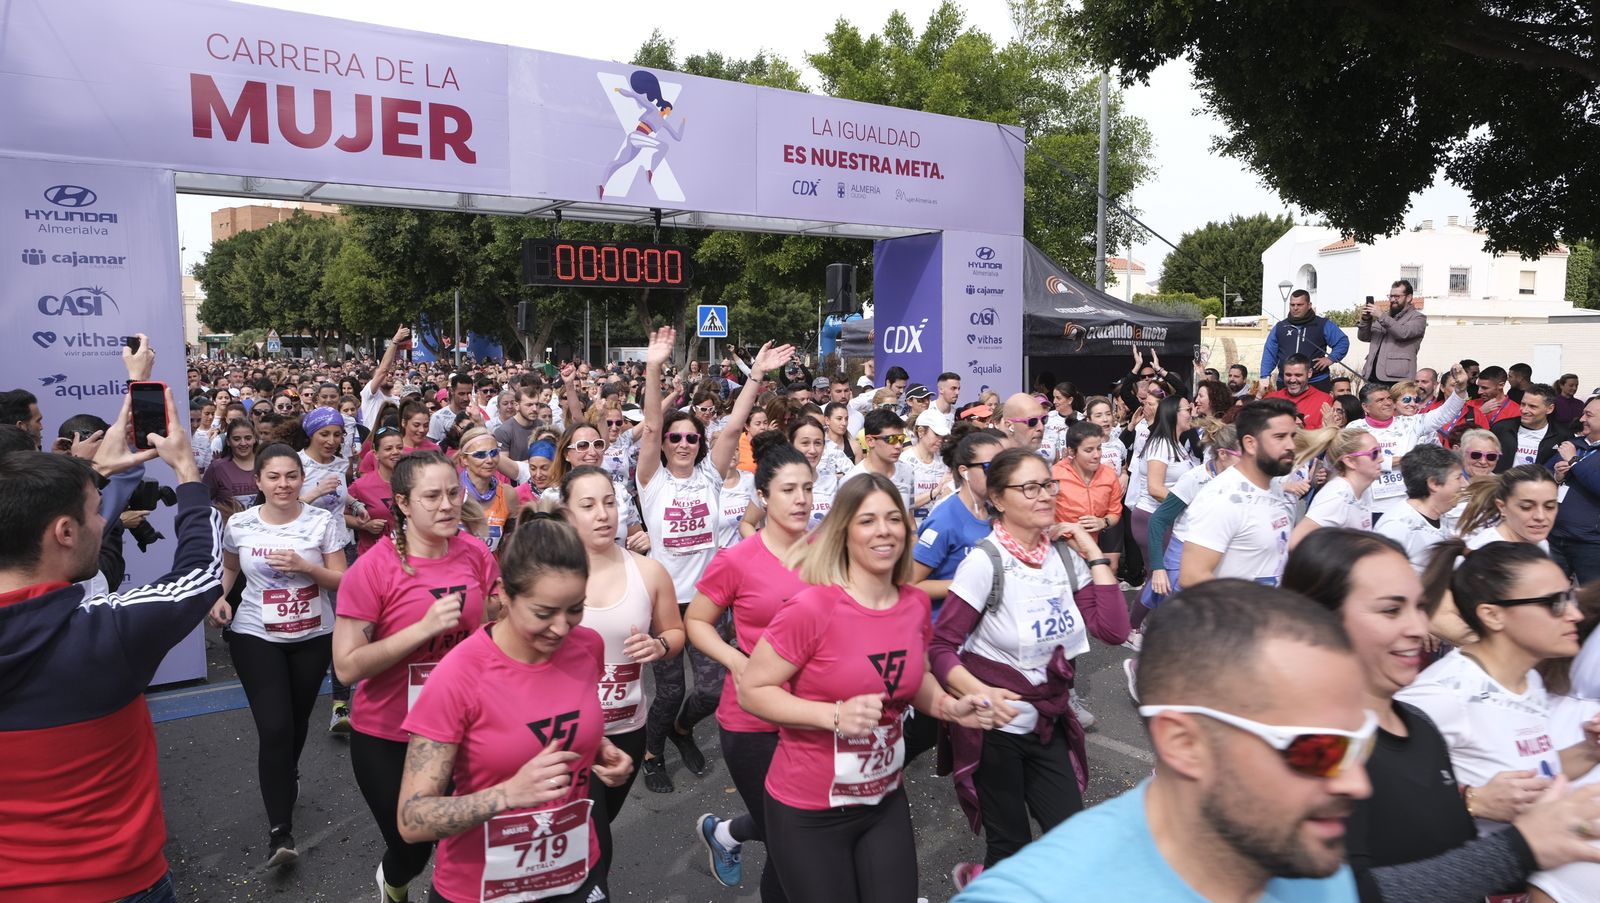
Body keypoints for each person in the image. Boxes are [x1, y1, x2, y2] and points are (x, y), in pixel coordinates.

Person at [957, 579, 1373, 902]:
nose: (1358, 784)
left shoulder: (1312, 854)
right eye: (1319, 749)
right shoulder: (1031, 894)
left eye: (1362, 742)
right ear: (1185, 743)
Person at [1282, 530, 1600, 903]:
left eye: (1420, 606)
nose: (1420, 629)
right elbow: (1338, 894)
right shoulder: (1311, 745)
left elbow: (1440, 842)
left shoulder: (1419, 725)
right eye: (1390, 610)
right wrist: (1522, 846)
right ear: (1322, 619)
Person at [0, 387, 223, 903]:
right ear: (63, 532)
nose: (105, 523)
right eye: (97, 513)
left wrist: (93, 477)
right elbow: (201, 573)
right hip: (120, 884)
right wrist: (189, 476)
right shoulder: (108, 631)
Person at [738, 473, 995, 903]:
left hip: (883, 799)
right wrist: (833, 716)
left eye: (894, 519)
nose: (884, 531)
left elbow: (910, 681)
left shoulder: (912, 603)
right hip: (808, 809)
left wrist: (951, 708)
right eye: (868, 520)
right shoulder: (813, 607)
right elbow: (753, 689)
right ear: (844, 532)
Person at [396, 513, 634, 903]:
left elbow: (557, 717)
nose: (561, 627)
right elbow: (412, 819)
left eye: (575, 608)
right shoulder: (458, 677)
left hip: (574, 872)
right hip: (481, 888)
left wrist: (597, 745)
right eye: (543, 613)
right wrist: (507, 794)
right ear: (504, 593)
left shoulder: (587, 646)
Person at [932, 449, 1130, 881]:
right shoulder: (984, 563)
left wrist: (1092, 550)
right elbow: (941, 648)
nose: (1044, 496)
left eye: (1048, 484)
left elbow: (1113, 631)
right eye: (1030, 488)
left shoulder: (1063, 558)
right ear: (999, 500)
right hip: (992, 729)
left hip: (1047, 721)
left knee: (1072, 838)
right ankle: (987, 882)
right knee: (1011, 845)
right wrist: (976, 691)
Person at [333, 451, 503, 903]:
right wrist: (422, 629)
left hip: (462, 725)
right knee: (413, 844)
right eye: (432, 496)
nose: (447, 505)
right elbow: (347, 667)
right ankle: (393, 883)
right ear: (404, 504)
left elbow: (495, 620)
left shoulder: (474, 553)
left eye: (453, 493)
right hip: (389, 732)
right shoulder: (372, 570)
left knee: (464, 834)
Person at [636, 327, 792, 793]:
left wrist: (756, 377)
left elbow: (733, 424)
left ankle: (682, 730)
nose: (683, 442)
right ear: (665, 443)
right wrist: (653, 368)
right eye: (675, 436)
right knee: (668, 689)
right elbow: (648, 426)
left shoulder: (710, 475)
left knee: (708, 690)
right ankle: (652, 751)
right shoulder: (652, 481)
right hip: (665, 604)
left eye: (691, 437)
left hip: (706, 602)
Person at [1397, 542, 1600, 836]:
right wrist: (1471, 801)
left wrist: (1590, 751)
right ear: (1493, 615)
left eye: (1570, 598)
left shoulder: (1528, 680)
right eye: (1555, 603)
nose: (1575, 615)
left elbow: (1536, 774)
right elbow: (1372, 789)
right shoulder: (1443, 694)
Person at [208, 442, 348, 866]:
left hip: (312, 634)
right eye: (274, 477)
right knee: (274, 728)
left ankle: (287, 774)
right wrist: (221, 596)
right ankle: (280, 834)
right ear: (259, 481)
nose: (283, 484)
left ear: (301, 479)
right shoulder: (242, 523)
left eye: (291, 476)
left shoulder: (322, 522)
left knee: (297, 720)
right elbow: (230, 565)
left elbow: (341, 580)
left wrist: (307, 568)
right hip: (255, 634)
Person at [686, 442, 815, 898]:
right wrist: (736, 659)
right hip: (753, 721)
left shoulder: (829, 552)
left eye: (807, 489)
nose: (801, 499)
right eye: (788, 490)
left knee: (802, 831)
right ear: (763, 495)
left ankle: (724, 835)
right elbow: (696, 622)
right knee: (790, 840)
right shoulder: (738, 559)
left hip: (814, 717)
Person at [557, 465, 681, 832]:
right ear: (566, 514)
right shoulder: (548, 577)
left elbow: (675, 632)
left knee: (602, 822)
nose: (603, 514)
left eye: (610, 503)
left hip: (627, 726)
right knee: (584, 833)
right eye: (589, 505)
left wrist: (659, 645)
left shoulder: (649, 572)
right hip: (566, 731)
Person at [1178, 402, 1299, 586]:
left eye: (1293, 436)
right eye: (1280, 437)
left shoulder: (1273, 487)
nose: (1291, 445)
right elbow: (1192, 576)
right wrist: (1248, 610)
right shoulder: (1221, 498)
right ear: (1250, 444)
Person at [1349, 370, 1467, 520]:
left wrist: (1460, 389)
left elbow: (1444, 413)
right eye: (1380, 400)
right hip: (1368, 505)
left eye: (1388, 399)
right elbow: (1352, 460)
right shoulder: (1355, 428)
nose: (1387, 403)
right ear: (1366, 407)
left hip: (1406, 504)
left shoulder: (1411, 422)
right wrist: (1396, 461)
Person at [1130, 395, 1198, 587]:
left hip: (1167, 518)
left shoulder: (1176, 444)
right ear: (1173, 414)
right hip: (1152, 517)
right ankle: (1139, 618)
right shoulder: (1161, 445)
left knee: (1164, 579)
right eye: (1187, 409)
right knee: (1161, 578)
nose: (1192, 413)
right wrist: (1189, 505)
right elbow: (1155, 488)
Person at [1374, 444, 1464, 572]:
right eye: (1458, 477)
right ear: (1433, 483)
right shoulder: (1397, 527)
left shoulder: (1439, 516)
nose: (1463, 484)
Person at [1289, 429, 1383, 547]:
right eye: (1374, 453)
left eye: (1380, 451)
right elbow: (1295, 542)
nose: (1382, 458)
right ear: (1350, 461)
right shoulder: (1337, 497)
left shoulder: (1362, 490)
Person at [1550, 395, 1600, 583]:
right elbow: (1542, 477)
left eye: (1588, 415)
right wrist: (1556, 476)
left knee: (1592, 604)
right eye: (1582, 414)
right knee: (1548, 597)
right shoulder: (1574, 445)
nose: (1581, 419)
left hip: (1591, 544)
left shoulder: (1572, 453)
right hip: (1555, 537)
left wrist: (1574, 462)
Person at [1260, 289, 1350, 391]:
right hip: (1286, 382)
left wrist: (1331, 358)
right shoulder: (1280, 327)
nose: (1295, 308)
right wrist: (1264, 376)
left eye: (1299, 305)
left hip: (1316, 381)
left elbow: (1342, 342)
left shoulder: (1322, 324)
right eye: (1292, 305)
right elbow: (1269, 352)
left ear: (1309, 305)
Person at [1459, 464, 1560, 552]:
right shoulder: (1484, 553)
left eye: (1549, 507)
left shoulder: (1541, 544)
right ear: (1502, 507)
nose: (1540, 516)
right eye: (1526, 507)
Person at [456, 428, 518, 551]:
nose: (489, 460)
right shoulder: (451, 493)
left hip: (492, 568)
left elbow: (511, 546)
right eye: (480, 455)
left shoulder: (508, 494)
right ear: (464, 459)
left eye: (494, 453)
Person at [346, 421, 402, 556]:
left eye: (399, 448)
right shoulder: (361, 486)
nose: (395, 452)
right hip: (373, 558)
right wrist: (364, 525)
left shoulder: (414, 481)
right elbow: (340, 515)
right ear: (375, 454)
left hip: (408, 558)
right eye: (388, 449)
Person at [844, 408, 916, 511]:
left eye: (901, 439)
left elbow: (909, 518)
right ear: (870, 441)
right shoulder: (851, 481)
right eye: (891, 439)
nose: (898, 445)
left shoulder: (908, 471)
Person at [1358, 280, 1427, 385]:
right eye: (1390, 296)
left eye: (1397, 296)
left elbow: (1403, 333)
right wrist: (1366, 319)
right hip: (1371, 376)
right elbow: (1364, 337)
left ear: (1408, 298)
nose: (1392, 300)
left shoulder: (1418, 318)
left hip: (1397, 380)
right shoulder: (1385, 317)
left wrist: (1381, 316)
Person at [1494, 383, 1571, 471]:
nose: (1524, 410)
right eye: (1523, 404)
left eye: (1532, 406)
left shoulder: (1562, 436)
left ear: (1550, 409)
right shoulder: (1502, 428)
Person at [904, 410, 953, 522]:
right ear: (921, 432)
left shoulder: (945, 460)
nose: (940, 440)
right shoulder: (904, 462)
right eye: (936, 435)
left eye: (943, 436)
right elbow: (901, 503)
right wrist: (935, 491)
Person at [203, 417, 262, 508]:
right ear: (228, 442)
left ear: (254, 439)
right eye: (236, 439)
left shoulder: (266, 464)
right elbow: (202, 501)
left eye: (248, 438)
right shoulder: (217, 468)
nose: (243, 443)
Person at [1266, 354, 1335, 429]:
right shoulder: (1270, 399)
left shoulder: (1325, 401)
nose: (1292, 380)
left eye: (1298, 375)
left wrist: (1302, 431)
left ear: (1309, 373)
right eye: (1288, 375)